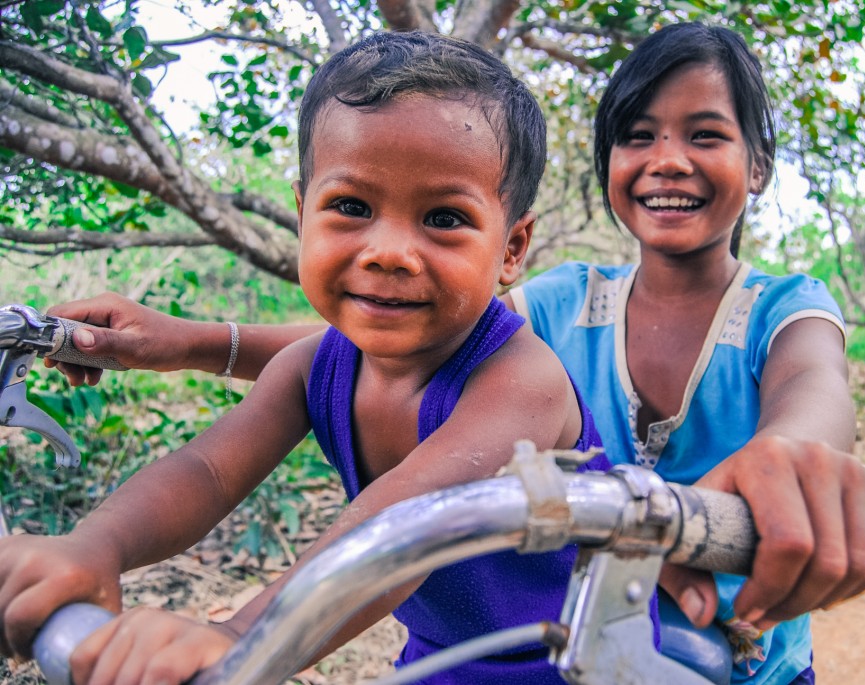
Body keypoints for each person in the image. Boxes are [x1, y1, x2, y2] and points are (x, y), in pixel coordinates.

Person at [45, 22, 865, 685]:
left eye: (705, 134)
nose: (666, 157)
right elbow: (364, 350)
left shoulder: (782, 307)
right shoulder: (567, 299)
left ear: (758, 163)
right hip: (462, 654)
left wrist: (797, 453)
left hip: (697, 649)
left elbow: (813, 386)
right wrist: (180, 354)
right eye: (638, 133)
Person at [0, 30, 624, 685]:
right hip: (440, 660)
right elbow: (208, 469)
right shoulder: (313, 368)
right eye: (351, 206)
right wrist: (93, 546)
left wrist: (242, 638)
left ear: (512, 248)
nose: (389, 250)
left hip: (586, 666)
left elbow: (406, 519)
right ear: (304, 214)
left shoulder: (522, 381)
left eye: (443, 218)